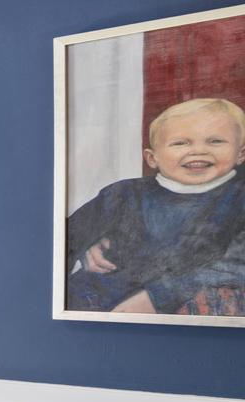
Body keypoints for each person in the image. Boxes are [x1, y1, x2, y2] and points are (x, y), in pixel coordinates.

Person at [65, 97, 245, 313]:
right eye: (181, 143)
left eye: (215, 141)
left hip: (180, 308)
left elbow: (235, 265)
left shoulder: (239, 197)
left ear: (241, 154)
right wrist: (85, 247)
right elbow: (65, 238)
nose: (198, 151)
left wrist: (157, 298)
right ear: (152, 158)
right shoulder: (122, 194)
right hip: (94, 301)